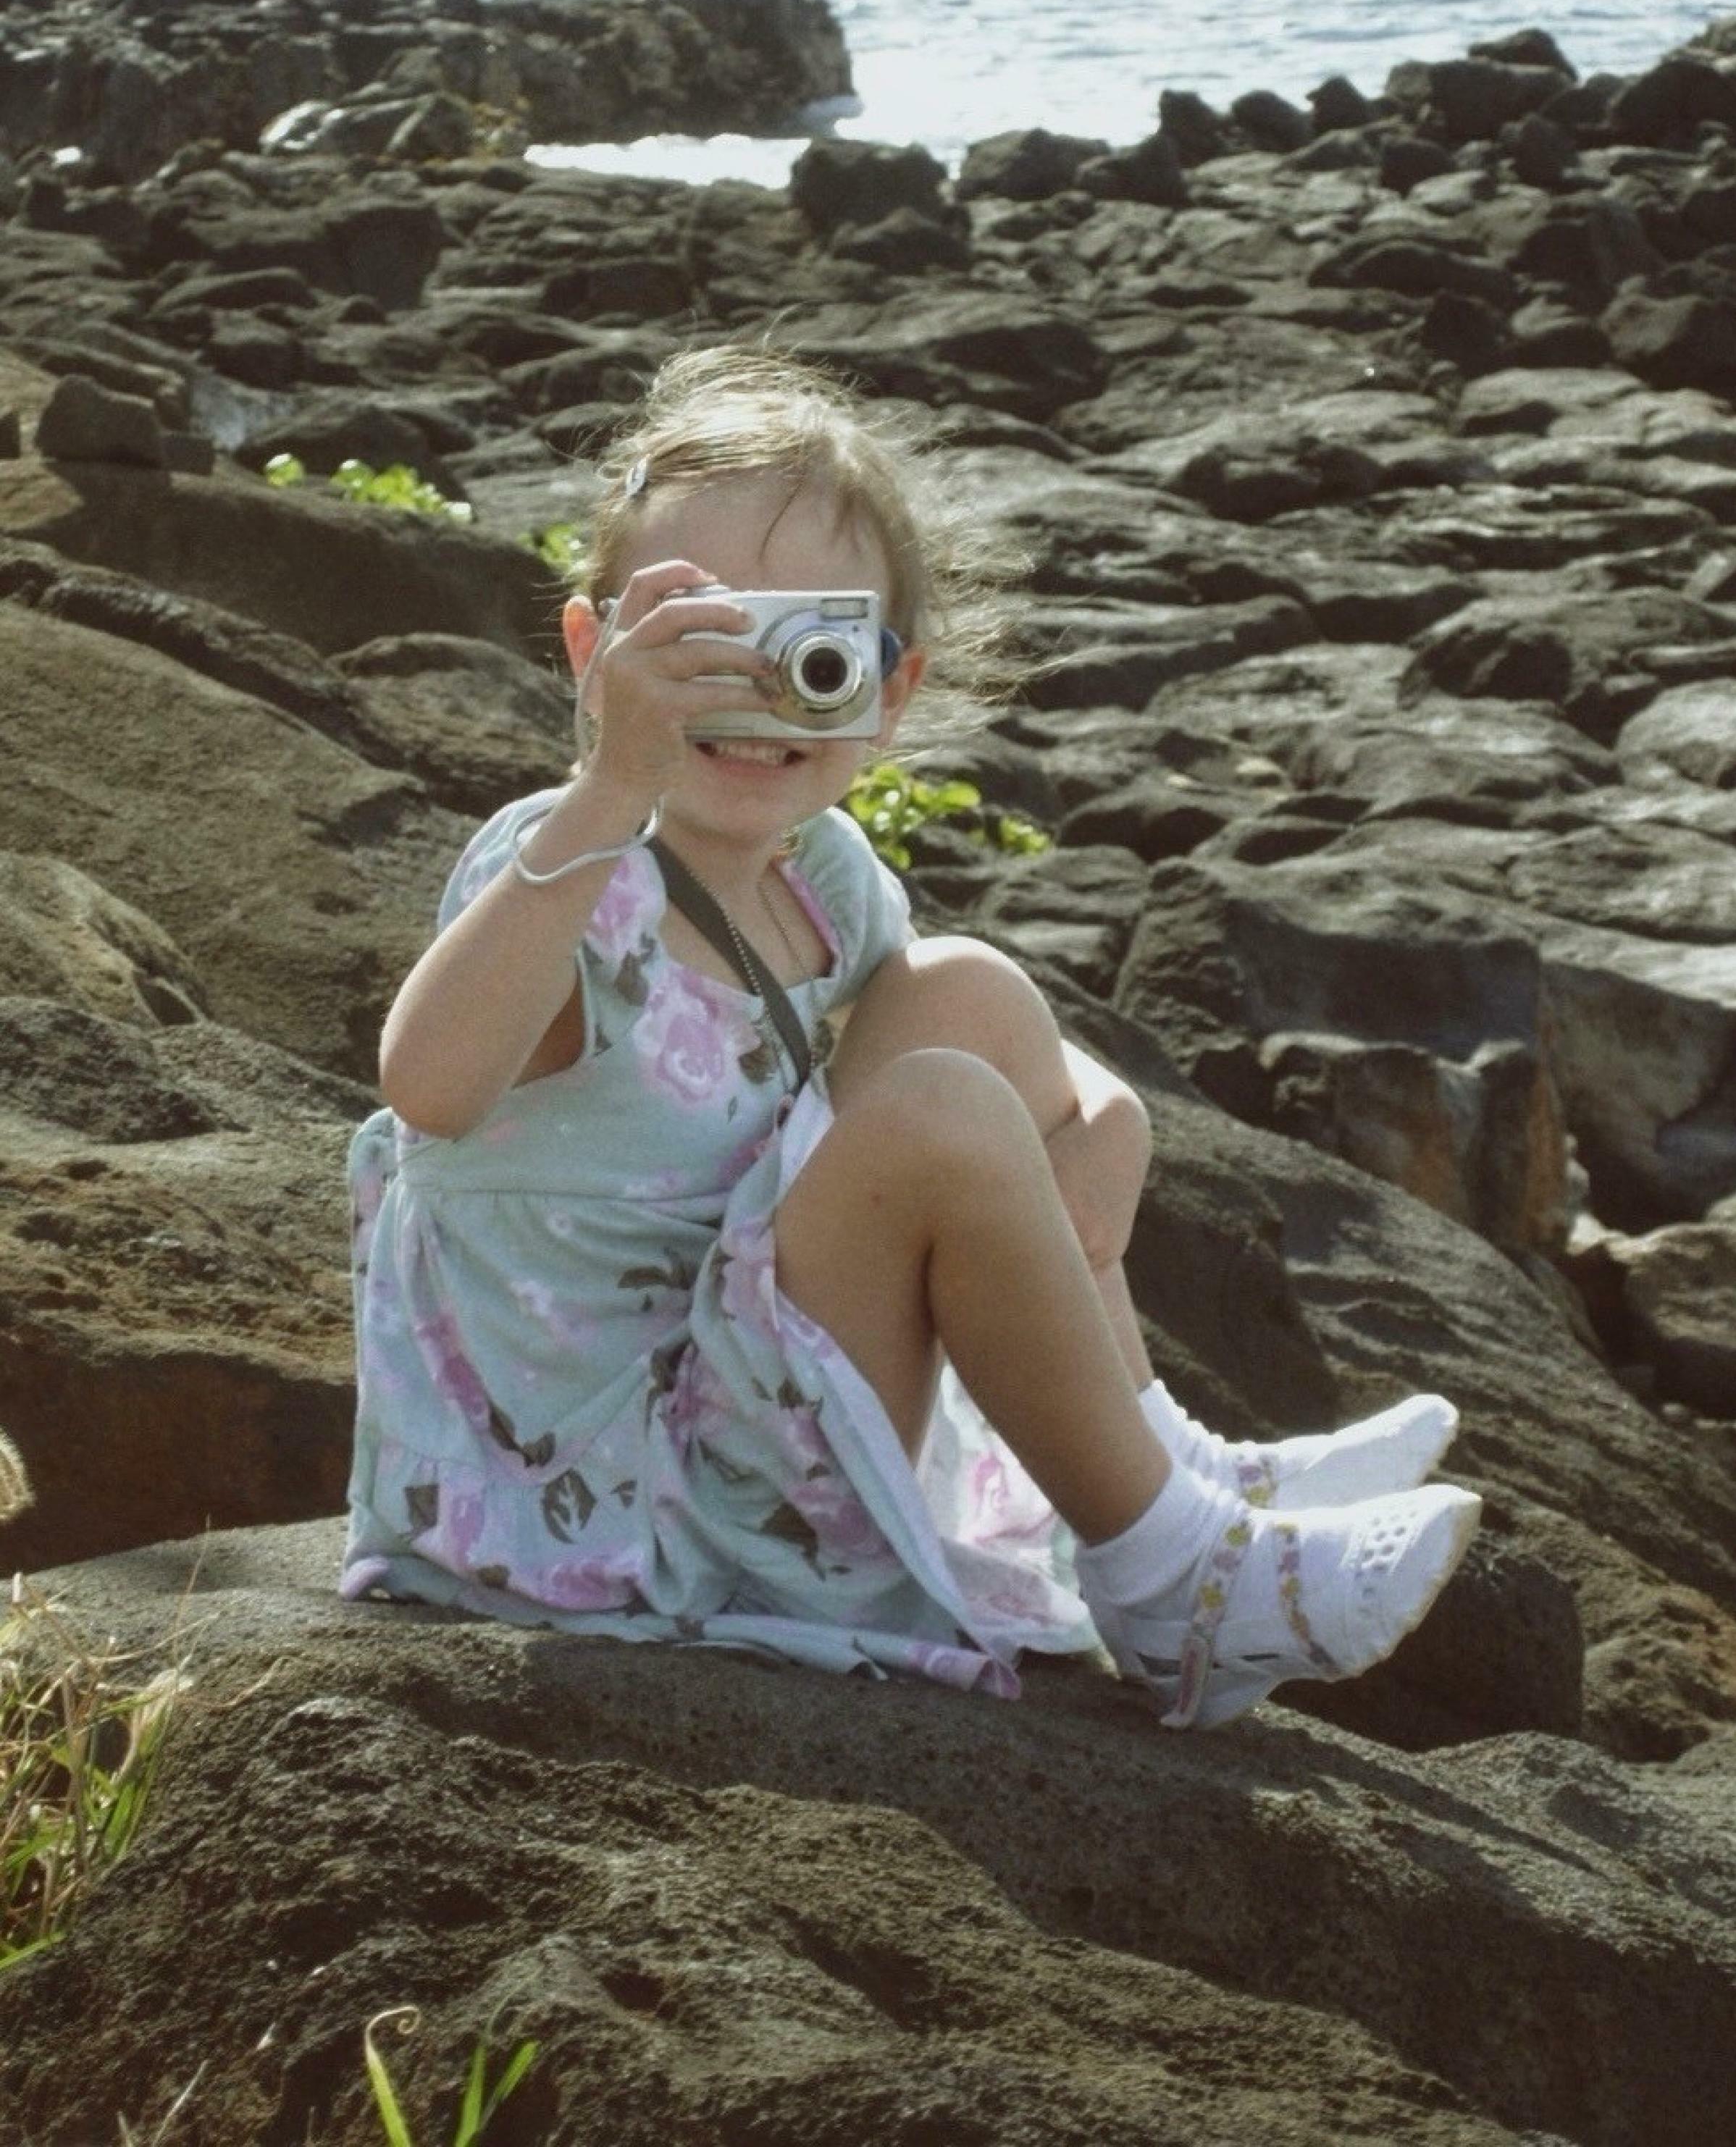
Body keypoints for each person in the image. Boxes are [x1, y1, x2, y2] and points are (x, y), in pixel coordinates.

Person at [342, 346, 1480, 1729]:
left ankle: (1166, 1464)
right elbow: (430, 1087)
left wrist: (1105, 1122)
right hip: (606, 1501)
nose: (752, 686)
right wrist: (607, 788)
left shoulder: (825, 882)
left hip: (748, 1403)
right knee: (938, 1105)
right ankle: (1170, 1577)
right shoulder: (567, 870)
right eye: (697, 635)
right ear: (594, 656)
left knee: (966, 993)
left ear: (888, 688)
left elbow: (988, 1053)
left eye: (808, 642)